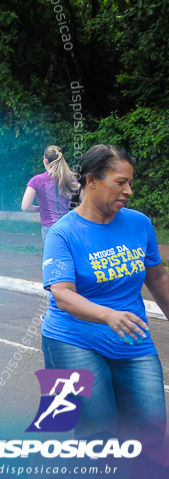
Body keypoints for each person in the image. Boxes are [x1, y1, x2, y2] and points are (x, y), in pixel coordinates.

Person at [41, 144, 169, 443]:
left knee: (152, 428)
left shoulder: (139, 223)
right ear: (92, 181)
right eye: (120, 182)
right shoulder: (63, 233)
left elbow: (158, 277)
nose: (129, 191)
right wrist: (107, 315)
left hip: (132, 341)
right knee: (97, 431)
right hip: (72, 340)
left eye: (130, 183)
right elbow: (62, 294)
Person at [22, 145, 79, 243]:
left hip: (49, 228)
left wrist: (40, 208)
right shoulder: (71, 180)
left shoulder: (36, 180)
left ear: (46, 161)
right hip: (69, 226)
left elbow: (25, 207)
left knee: (53, 257)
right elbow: (87, 199)